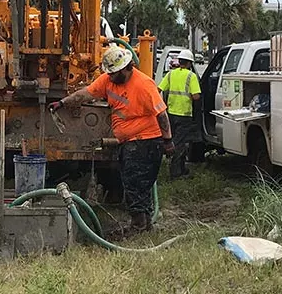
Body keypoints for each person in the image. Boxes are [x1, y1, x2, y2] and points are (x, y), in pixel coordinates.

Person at [48, 45, 172, 233]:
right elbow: (86, 93)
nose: (111, 77)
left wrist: (168, 141)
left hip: (146, 141)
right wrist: (63, 102)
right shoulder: (108, 80)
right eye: (110, 73)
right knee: (135, 183)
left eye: (114, 73)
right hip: (129, 142)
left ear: (128, 67)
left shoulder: (144, 85)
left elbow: (162, 115)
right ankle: (144, 224)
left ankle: (139, 225)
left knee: (136, 183)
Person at [157, 49, 202, 179]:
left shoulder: (171, 74)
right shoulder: (191, 76)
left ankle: (182, 169)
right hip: (184, 114)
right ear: (189, 63)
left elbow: (158, 89)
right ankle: (176, 173)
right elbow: (196, 96)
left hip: (171, 113)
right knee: (180, 143)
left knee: (175, 140)